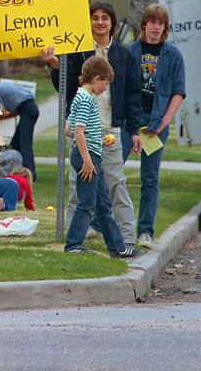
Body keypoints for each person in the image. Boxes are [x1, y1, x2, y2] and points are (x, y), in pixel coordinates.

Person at [40, 1, 141, 248]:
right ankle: (77, 237)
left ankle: (128, 237)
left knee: (116, 184)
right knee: (78, 186)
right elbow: (65, 88)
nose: (99, 22)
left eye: (105, 18)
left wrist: (134, 130)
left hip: (111, 130)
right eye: (95, 17)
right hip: (83, 131)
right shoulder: (79, 52)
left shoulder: (124, 56)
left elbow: (133, 95)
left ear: (112, 23)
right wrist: (55, 65)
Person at [64, 57, 142, 258]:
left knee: (103, 205)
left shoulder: (78, 96)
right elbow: (78, 132)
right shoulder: (86, 100)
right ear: (97, 79)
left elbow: (68, 129)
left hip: (91, 153)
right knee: (87, 204)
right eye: (105, 84)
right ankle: (73, 244)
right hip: (87, 159)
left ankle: (118, 248)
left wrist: (99, 142)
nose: (105, 89)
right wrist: (88, 160)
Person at [126, 4, 186, 249]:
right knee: (111, 172)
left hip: (155, 122)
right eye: (152, 22)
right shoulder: (130, 52)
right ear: (144, 24)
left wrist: (163, 122)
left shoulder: (173, 55)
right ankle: (99, 224)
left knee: (149, 179)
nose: (156, 27)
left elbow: (178, 93)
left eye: (160, 23)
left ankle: (145, 232)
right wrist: (128, 126)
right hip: (130, 120)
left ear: (165, 27)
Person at [0, 81, 39, 181]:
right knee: (15, 143)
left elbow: (2, 113)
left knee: (24, 144)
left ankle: (31, 175)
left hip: (27, 109)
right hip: (28, 108)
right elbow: (15, 112)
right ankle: (17, 172)